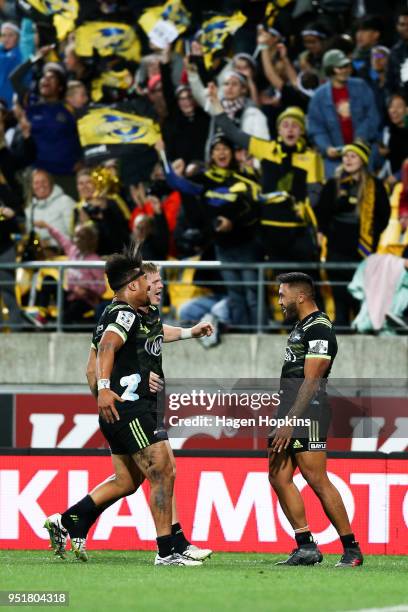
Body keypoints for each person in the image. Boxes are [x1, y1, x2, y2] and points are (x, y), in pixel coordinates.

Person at [44, 260, 214, 564]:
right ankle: (168, 550)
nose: (156, 286)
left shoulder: (135, 314)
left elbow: (151, 336)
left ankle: (70, 519)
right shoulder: (123, 313)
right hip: (130, 408)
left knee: (127, 481)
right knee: (162, 470)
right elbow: (106, 349)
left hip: (129, 406)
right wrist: (106, 392)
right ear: (134, 284)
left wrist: (189, 333)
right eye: (152, 281)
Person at [268, 272, 363, 568]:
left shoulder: (320, 328)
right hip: (290, 408)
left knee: (316, 478)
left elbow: (312, 380)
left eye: (283, 295)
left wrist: (289, 420)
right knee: (278, 476)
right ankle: (306, 546)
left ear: (301, 296)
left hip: (308, 410)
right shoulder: (302, 326)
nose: (280, 301)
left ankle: (352, 548)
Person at [315, 141, 390, 326]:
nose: (347, 159)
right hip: (337, 245)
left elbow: (383, 215)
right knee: (339, 292)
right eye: (345, 156)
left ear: (363, 160)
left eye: (353, 156)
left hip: (361, 246)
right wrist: (324, 230)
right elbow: (322, 213)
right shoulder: (333, 184)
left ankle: (358, 325)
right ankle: (341, 326)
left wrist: (370, 234)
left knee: (358, 291)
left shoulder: (375, 185)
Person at [308, 49, 380, 178]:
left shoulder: (361, 86)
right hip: (334, 161)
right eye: (339, 67)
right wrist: (326, 147)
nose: (344, 70)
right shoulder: (318, 97)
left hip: (363, 154)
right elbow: (316, 128)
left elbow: (372, 117)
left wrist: (360, 138)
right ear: (329, 70)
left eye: (346, 66)